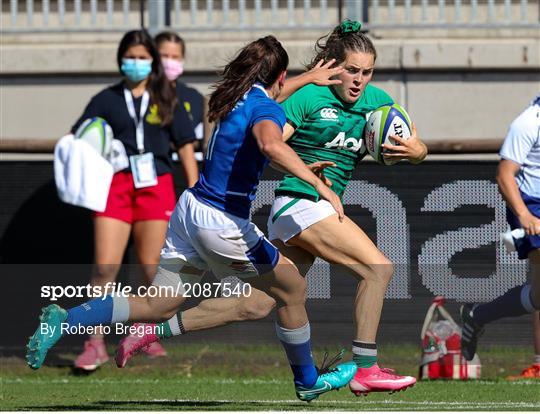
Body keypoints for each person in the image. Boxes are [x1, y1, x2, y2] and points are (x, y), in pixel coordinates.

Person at [26, 35, 358, 402]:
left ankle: (64, 320)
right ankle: (307, 380)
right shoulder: (267, 110)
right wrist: (317, 183)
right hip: (222, 223)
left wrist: (306, 78)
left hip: (189, 211)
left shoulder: (235, 97)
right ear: (279, 77)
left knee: (159, 304)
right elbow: (270, 144)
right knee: (292, 288)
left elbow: (267, 105)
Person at [117, 21, 426, 395]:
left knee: (256, 305)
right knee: (378, 269)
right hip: (300, 203)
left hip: (310, 210)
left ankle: (152, 330)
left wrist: (415, 151)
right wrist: (309, 174)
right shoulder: (308, 97)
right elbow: (271, 145)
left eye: (366, 71)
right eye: (351, 70)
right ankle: (365, 367)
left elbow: (414, 142)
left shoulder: (377, 102)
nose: (359, 80)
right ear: (332, 64)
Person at [68, 29, 198, 371]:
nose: (137, 64)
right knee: (105, 267)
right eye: (131, 57)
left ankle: (142, 333)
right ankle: (93, 342)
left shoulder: (166, 95)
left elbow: (185, 143)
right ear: (120, 58)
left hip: (156, 183)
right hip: (115, 185)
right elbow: (80, 136)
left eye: (143, 58)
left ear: (152, 61)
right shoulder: (106, 99)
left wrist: (196, 186)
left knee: (152, 268)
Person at [461, 94, 540, 364]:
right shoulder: (528, 123)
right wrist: (525, 215)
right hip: (531, 205)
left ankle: (477, 316)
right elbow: (504, 175)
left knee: (538, 296)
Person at [154, 31, 208, 162]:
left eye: (175, 57)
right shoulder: (145, 94)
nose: (169, 61)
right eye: (164, 56)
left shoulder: (194, 97)